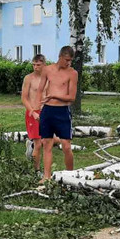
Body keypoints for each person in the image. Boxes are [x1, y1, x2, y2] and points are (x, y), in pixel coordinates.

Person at [35, 46, 78, 182]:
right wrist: (37, 108)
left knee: (66, 145)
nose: (69, 63)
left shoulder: (72, 73)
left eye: (70, 60)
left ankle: (71, 176)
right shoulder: (47, 70)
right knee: (46, 143)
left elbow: (71, 97)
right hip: (47, 111)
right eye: (67, 60)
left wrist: (54, 95)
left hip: (62, 111)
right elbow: (40, 90)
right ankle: (46, 177)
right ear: (60, 57)